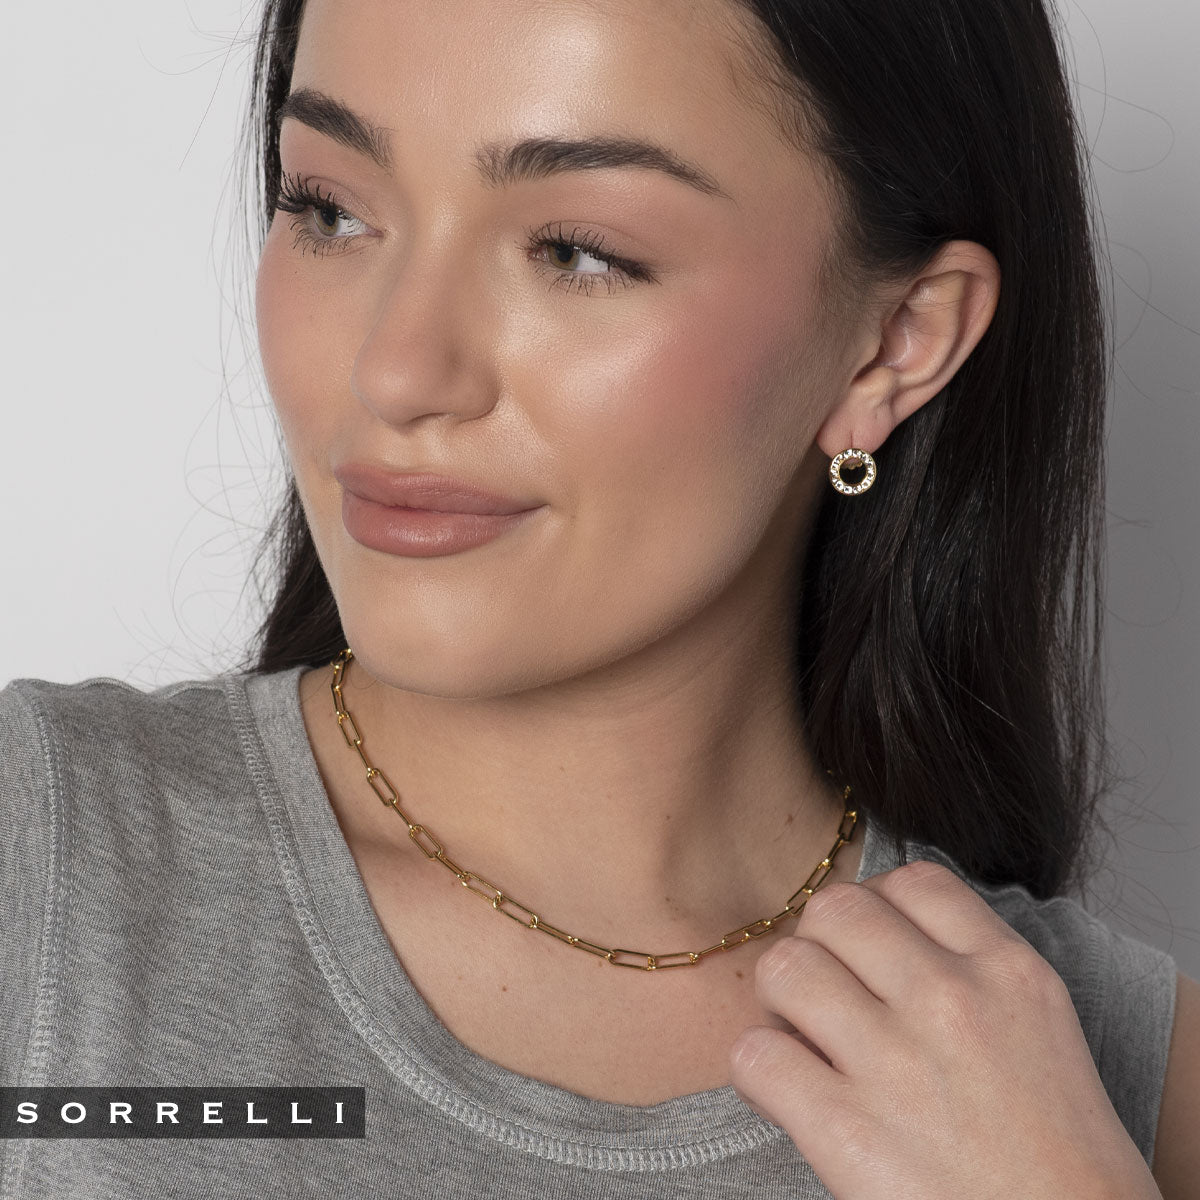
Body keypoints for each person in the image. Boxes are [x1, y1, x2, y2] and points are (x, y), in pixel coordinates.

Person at [2, 0, 1197, 1196]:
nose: (396, 370)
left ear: (897, 343)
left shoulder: (1125, 1087)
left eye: (578, 250)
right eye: (330, 210)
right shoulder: (41, 866)